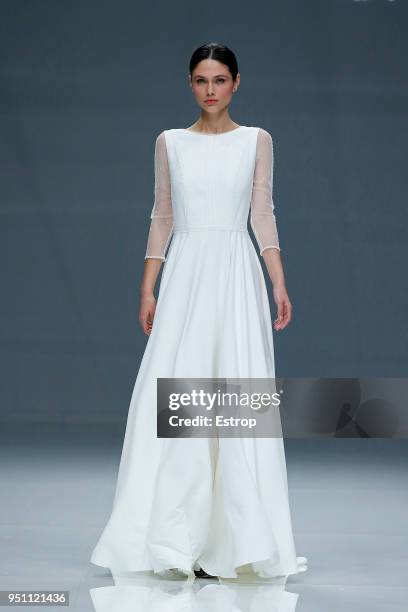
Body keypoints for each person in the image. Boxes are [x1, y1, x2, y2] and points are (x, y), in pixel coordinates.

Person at [90, 42, 307, 583]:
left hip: (235, 275)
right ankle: (172, 542)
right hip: (186, 277)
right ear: (190, 85)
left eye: (219, 80)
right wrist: (148, 288)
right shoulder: (170, 143)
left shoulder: (257, 141)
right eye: (200, 80)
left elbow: (263, 214)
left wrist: (279, 281)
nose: (210, 90)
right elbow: (162, 215)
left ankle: (234, 541)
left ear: (236, 83)